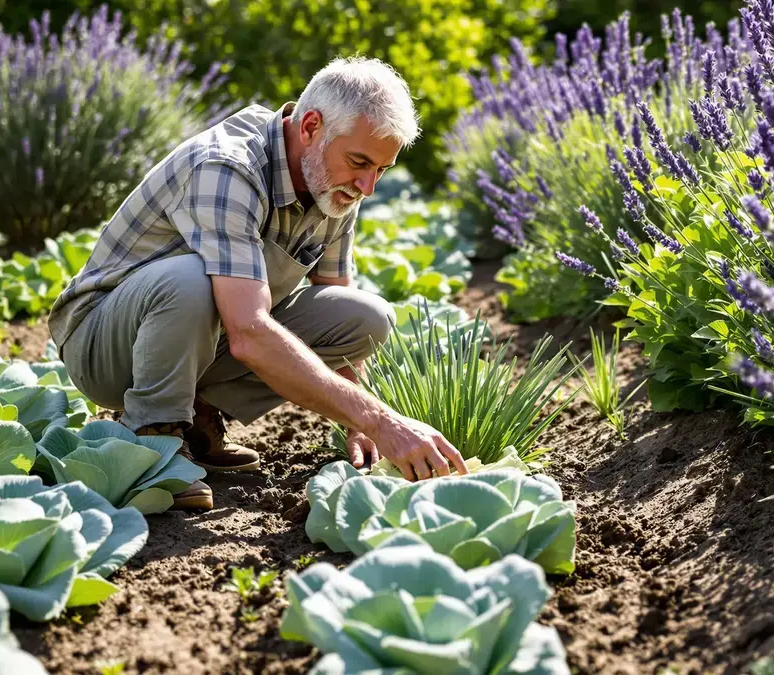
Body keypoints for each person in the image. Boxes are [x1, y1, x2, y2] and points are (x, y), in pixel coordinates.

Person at [48, 57, 468, 510]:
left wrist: (358, 425)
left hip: (202, 337)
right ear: (310, 126)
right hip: (103, 346)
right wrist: (384, 420)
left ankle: (196, 414)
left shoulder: (334, 181)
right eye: (360, 162)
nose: (367, 186)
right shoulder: (226, 168)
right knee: (191, 278)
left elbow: (336, 301)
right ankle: (152, 436)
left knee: (365, 317)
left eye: (380, 170)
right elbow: (248, 332)